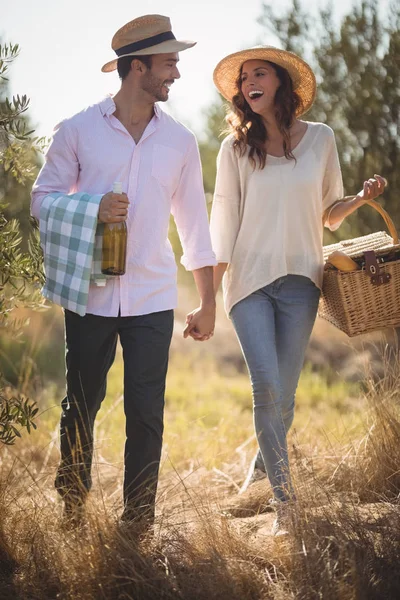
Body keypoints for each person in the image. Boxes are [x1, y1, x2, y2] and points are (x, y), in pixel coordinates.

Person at [31, 14, 216, 529]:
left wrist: (207, 300)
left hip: (153, 298)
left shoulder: (179, 141)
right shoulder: (77, 130)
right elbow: (41, 200)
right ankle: (72, 509)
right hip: (89, 293)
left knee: (146, 413)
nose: (176, 73)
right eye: (169, 63)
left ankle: (138, 522)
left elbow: (194, 225)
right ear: (139, 68)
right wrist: (92, 208)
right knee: (81, 405)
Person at [209, 46, 386, 535]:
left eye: (258, 73)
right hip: (248, 281)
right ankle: (286, 507)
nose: (248, 83)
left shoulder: (321, 139)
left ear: (282, 84)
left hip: (301, 284)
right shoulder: (235, 148)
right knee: (265, 388)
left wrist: (360, 199)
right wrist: (207, 294)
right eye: (243, 79)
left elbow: (328, 213)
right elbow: (223, 219)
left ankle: (258, 478)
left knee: (283, 398)